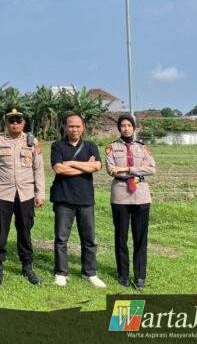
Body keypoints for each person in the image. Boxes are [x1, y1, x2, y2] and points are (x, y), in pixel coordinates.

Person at [0, 108, 45, 286]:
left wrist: (40, 193)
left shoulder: (32, 141)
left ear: (23, 123)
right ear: (6, 123)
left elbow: (38, 169)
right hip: (3, 194)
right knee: (0, 231)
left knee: (25, 230)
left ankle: (27, 266)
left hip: (25, 194)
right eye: (11, 121)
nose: (15, 124)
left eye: (18, 121)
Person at [50, 111, 106, 288]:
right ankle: (61, 273)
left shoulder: (90, 146)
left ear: (83, 128)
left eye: (77, 126)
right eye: (71, 126)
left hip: (85, 199)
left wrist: (71, 163)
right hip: (63, 198)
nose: (74, 129)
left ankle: (90, 273)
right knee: (61, 238)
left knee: (89, 239)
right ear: (65, 128)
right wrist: (85, 166)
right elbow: (59, 169)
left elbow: (97, 166)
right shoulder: (57, 146)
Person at [105, 114, 156, 290]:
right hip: (120, 195)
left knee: (140, 238)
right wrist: (137, 169)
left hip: (141, 195)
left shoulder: (143, 147)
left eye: (129, 125)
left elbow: (151, 168)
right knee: (121, 237)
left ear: (134, 127)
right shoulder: (112, 147)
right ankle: (123, 274)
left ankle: (140, 276)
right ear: (119, 128)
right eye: (123, 125)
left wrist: (127, 168)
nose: (126, 128)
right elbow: (111, 170)